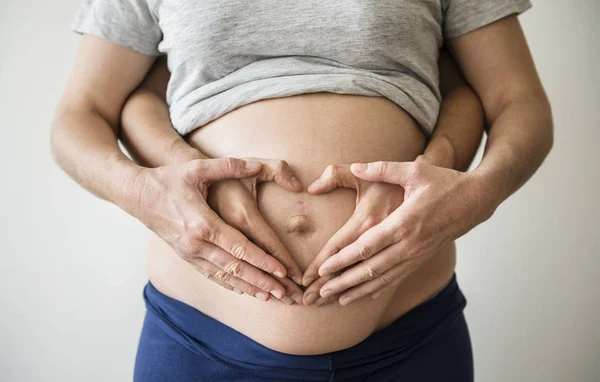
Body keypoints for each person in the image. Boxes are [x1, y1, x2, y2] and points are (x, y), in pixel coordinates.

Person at [50, 1, 552, 381]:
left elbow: (517, 100)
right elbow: (80, 115)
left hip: (406, 334)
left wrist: (474, 196)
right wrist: (146, 194)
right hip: (199, 336)